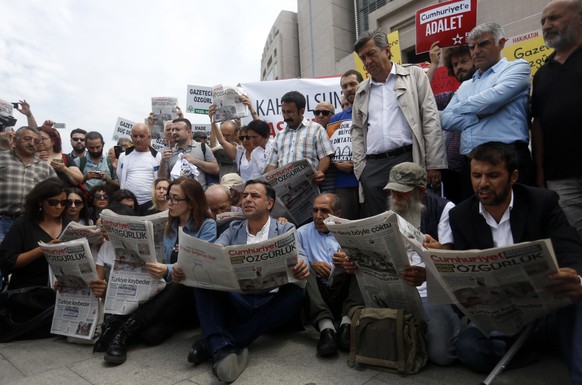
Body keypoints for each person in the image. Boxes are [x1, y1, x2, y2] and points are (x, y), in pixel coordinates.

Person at [445, 141, 582, 384]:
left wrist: (575, 277)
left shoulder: (542, 202)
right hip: (502, 318)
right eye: (476, 175)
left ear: (513, 176)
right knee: (468, 347)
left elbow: (569, 247)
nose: (483, 183)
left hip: (548, 310)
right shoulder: (460, 216)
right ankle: (530, 352)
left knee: (574, 295)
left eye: (493, 175)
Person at [334, 163, 459, 364]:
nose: (396, 197)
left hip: (427, 290)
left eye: (402, 193)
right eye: (392, 191)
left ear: (421, 191)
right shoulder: (390, 210)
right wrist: (355, 261)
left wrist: (426, 271)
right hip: (390, 288)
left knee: (442, 355)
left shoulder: (444, 209)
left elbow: (450, 261)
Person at [188, 180, 309, 382]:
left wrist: (303, 265)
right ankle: (223, 348)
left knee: (297, 292)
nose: (247, 200)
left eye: (254, 196)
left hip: (271, 301)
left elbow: (302, 255)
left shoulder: (285, 229)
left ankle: (217, 345)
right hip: (238, 298)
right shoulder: (233, 229)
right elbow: (216, 252)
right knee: (202, 284)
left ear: (269, 204)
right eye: (245, 196)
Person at [98, 178, 217, 365]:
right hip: (164, 293)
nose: (169, 202)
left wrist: (166, 269)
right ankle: (126, 325)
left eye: (176, 199)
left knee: (179, 281)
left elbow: (199, 263)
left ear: (192, 202)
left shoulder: (206, 225)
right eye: (169, 197)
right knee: (151, 336)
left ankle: (123, 332)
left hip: (190, 292)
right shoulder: (167, 224)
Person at [351, 30, 447, 216]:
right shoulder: (362, 90)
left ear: (386, 50)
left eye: (371, 53)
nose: (368, 61)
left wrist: (434, 163)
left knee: (413, 221)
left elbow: (430, 118)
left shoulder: (414, 76)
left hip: (407, 160)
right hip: (372, 169)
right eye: (363, 57)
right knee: (382, 226)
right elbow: (356, 130)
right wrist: (361, 169)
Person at [441, 22, 534, 194]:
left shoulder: (517, 67)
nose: (475, 50)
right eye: (472, 46)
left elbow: (491, 101)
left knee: (518, 217)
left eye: (483, 44)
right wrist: (478, 115)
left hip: (508, 159)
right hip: (471, 165)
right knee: (475, 219)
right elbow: (445, 120)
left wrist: (462, 106)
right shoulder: (466, 85)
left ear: (501, 43)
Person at [532, 0, 582, 239]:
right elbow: (538, 124)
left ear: (579, 19)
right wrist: (540, 171)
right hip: (559, 177)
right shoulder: (542, 74)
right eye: (543, 21)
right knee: (572, 239)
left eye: (554, 18)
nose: (546, 25)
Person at [0, 178, 70, 338]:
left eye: (63, 203)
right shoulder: (24, 224)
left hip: (59, 292)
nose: (59, 207)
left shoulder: (68, 224)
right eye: (53, 202)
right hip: (29, 295)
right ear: (40, 202)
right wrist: (43, 249)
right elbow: (8, 262)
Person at [426, 43, 476, 204]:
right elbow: (423, 98)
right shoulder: (450, 97)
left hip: (478, 163)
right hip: (453, 169)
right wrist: (433, 65)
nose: (459, 67)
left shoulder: (491, 91)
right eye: (455, 64)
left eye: (464, 61)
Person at [0, 126, 56, 243]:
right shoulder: (2, 158)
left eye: (36, 141)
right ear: (15, 140)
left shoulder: (45, 167)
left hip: (31, 223)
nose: (32, 143)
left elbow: (56, 192)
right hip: (2, 220)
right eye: (27, 139)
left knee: (25, 259)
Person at [265, 91, 334, 185]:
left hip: (309, 185)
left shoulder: (316, 129)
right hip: (285, 187)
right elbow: (271, 165)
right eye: (283, 112)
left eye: (289, 112)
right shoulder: (279, 136)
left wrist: (320, 172)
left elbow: (325, 157)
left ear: (301, 111)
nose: (285, 116)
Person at [324, 69, 364, 219]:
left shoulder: (374, 111)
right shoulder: (335, 120)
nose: (349, 89)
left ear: (363, 84)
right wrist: (337, 164)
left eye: (353, 84)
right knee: (347, 226)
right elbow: (328, 152)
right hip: (344, 182)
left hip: (369, 178)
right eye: (345, 86)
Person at [158, 118, 219, 190]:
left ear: (188, 132)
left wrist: (195, 161)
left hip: (198, 197)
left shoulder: (203, 147)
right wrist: (163, 161)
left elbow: (215, 169)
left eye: (177, 129)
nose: (173, 133)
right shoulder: (169, 153)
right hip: (177, 198)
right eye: (172, 130)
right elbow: (162, 179)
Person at [116, 123, 162, 215]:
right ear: (131, 137)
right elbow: (120, 176)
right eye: (135, 136)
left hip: (150, 203)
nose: (138, 139)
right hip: (129, 204)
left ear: (149, 137)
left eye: (141, 136)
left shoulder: (158, 156)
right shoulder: (123, 156)